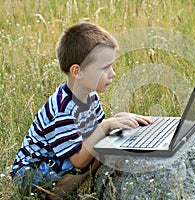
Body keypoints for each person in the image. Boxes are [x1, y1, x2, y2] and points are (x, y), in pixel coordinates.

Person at [10, 22, 152, 199]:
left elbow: (94, 132)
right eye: (104, 68)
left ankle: (81, 184)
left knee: (103, 148)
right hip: (33, 172)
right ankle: (54, 195)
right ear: (77, 72)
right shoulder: (62, 109)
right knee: (98, 152)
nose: (112, 73)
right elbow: (77, 159)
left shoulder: (91, 95)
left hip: (59, 160)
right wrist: (107, 126)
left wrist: (118, 120)